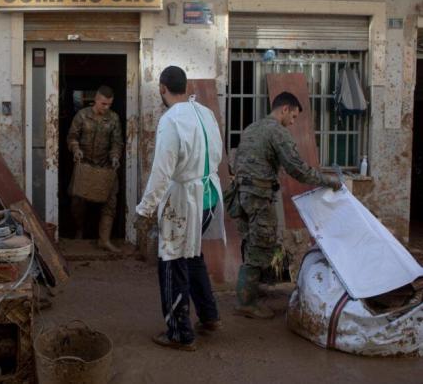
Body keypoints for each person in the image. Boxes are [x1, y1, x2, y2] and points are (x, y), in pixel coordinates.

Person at [134, 66, 225, 351]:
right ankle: (209, 317)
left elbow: (162, 171)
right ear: (184, 87)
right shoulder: (205, 113)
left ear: (162, 88)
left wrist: (145, 209)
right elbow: (218, 153)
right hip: (209, 197)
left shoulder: (171, 119)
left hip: (185, 201)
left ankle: (179, 333)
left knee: (172, 262)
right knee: (193, 254)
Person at [229, 91, 342, 319]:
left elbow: (236, 162)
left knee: (252, 241)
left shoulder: (252, 128)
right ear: (285, 109)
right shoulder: (277, 132)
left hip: (242, 195)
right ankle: (246, 302)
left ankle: (251, 291)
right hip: (259, 196)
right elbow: (297, 169)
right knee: (261, 245)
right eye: (293, 117)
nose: (292, 123)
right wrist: (329, 181)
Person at [67, 85, 124, 253]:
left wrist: (115, 156)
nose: (106, 108)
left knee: (110, 201)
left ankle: (104, 239)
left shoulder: (113, 119)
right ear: (96, 100)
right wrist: (75, 149)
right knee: (77, 201)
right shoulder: (82, 115)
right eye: (103, 104)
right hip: (84, 164)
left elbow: (117, 142)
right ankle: (79, 231)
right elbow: (72, 137)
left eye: (109, 104)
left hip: (105, 166)